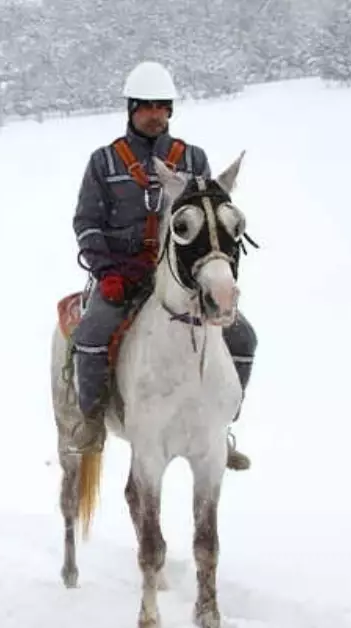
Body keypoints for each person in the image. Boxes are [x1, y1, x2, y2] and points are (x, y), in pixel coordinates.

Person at [68, 61, 256, 470]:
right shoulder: (104, 162)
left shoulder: (192, 158)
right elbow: (86, 222)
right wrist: (106, 272)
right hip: (123, 277)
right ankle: (92, 421)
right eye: (147, 106)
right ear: (132, 110)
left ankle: (221, 427)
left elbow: (207, 221)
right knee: (92, 332)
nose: (155, 114)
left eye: (163, 106)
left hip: (180, 280)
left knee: (242, 338)